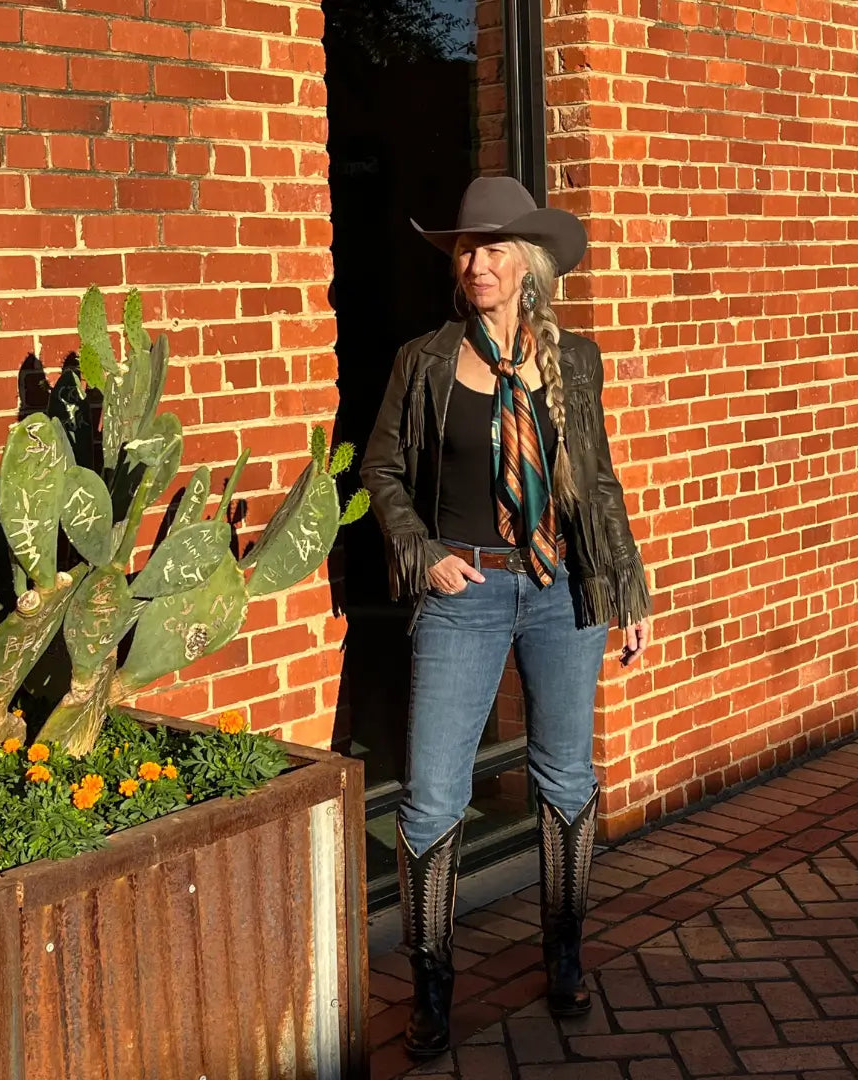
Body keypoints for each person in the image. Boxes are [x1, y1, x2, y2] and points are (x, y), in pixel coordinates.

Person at [360, 175, 652, 1058]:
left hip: (562, 590)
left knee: (566, 778)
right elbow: (379, 473)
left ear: (525, 262)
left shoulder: (574, 361)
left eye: (491, 247)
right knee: (433, 798)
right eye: (465, 247)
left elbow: (597, 484)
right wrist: (422, 552)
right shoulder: (424, 360)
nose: (475, 261)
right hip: (466, 597)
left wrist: (626, 589)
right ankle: (433, 990)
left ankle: (564, 955)